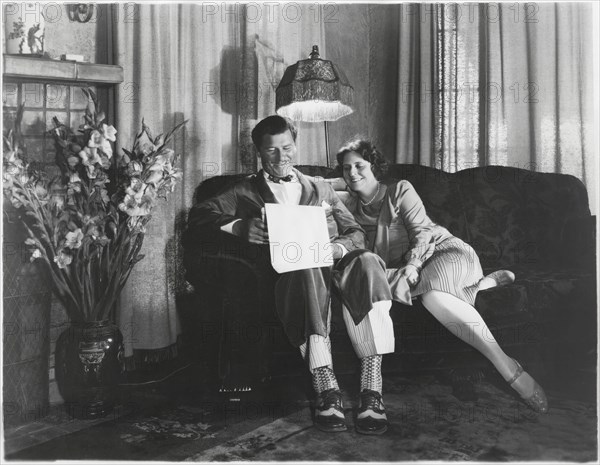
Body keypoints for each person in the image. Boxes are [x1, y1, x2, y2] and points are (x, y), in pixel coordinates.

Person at [187, 116, 396, 434]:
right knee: (306, 268)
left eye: (287, 147)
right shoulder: (245, 190)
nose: (281, 156)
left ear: (295, 145)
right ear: (259, 152)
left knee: (367, 262)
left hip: (335, 263)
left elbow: (354, 232)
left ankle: (372, 387)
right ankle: (326, 388)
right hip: (293, 272)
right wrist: (240, 227)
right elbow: (201, 214)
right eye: (271, 151)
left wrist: (335, 249)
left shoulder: (321, 186)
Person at [335, 138, 548, 414]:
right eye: (345, 168)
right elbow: (320, 192)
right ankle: (483, 284)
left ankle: (507, 366)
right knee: (367, 281)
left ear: (374, 166)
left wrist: (413, 264)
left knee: (434, 294)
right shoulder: (349, 209)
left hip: (439, 252)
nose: (352, 173)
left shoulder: (400, 189)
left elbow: (422, 233)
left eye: (359, 166)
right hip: (404, 271)